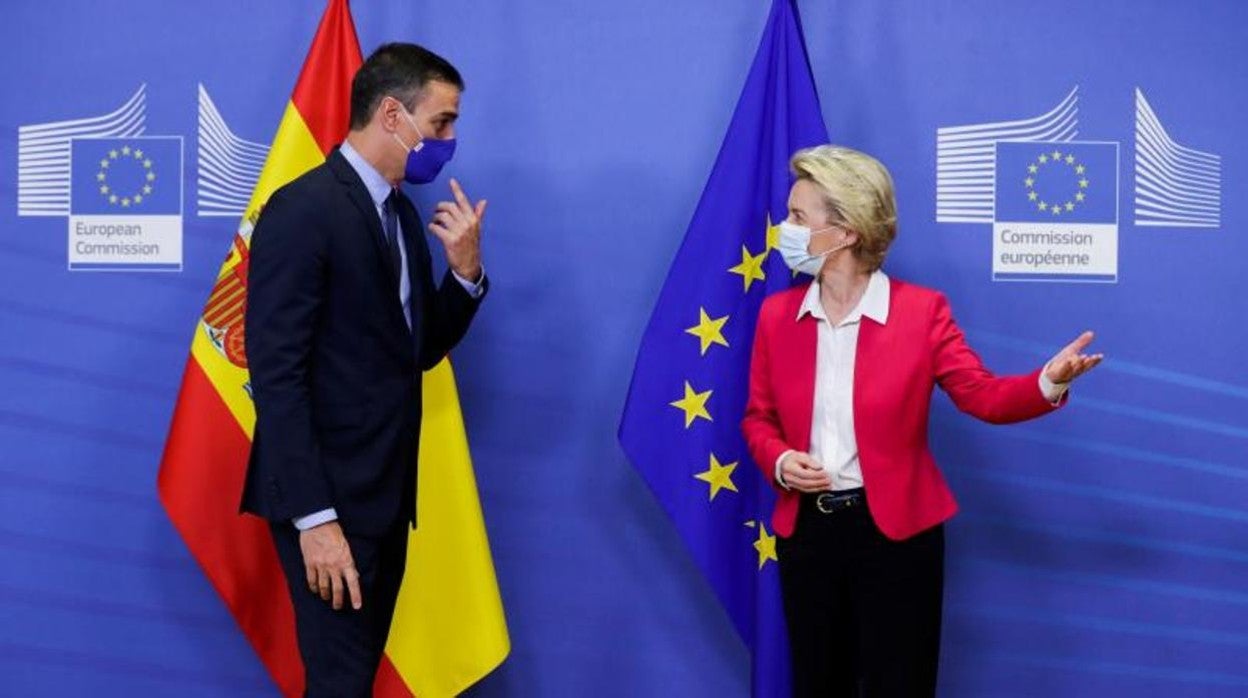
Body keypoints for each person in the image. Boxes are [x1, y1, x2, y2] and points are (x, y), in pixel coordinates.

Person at [741, 145, 1101, 697]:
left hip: (897, 535)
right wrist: (782, 461)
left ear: (847, 232)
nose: (782, 229)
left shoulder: (921, 312)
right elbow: (758, 419)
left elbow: (983, 397)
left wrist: (1048, 380)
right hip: (806, 535)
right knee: (818, 684)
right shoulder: (775, 316)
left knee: (900, 684)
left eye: (797, 217)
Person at [240, 43, 488, 696]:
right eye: (441, 122)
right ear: (390, 114)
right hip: (327, 504)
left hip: (383, 500)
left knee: (352, 683)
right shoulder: (304, 210)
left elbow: (416, 350)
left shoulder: (402, 216)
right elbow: (277, 377)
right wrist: (315, 521)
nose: (450, 140)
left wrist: (464, 276)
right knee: (341, 685)